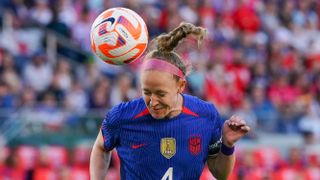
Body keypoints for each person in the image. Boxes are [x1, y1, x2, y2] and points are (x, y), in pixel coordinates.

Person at [90, 22, 250, 180]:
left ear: (181, 86)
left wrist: (227, 146)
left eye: (161, 93)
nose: (153, 101)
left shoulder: (206, 115)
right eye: (147, 92)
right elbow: (100, 147)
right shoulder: (122, 116)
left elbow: (220, 174)